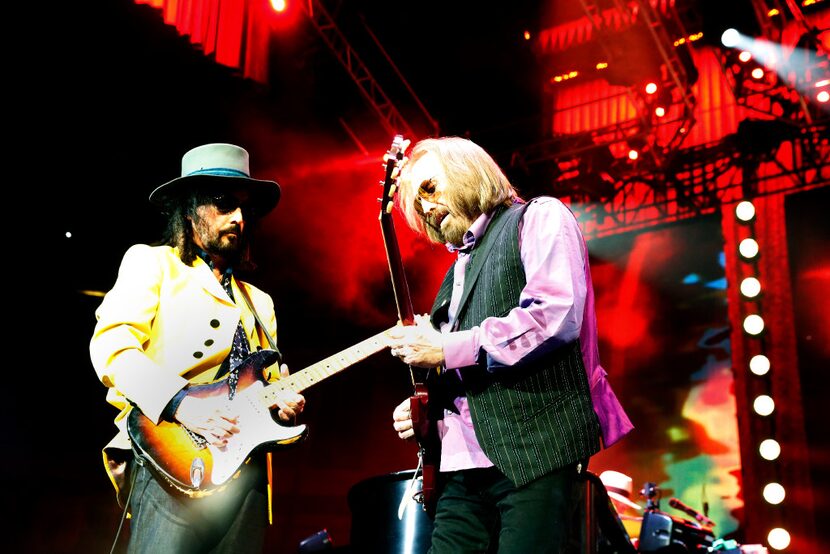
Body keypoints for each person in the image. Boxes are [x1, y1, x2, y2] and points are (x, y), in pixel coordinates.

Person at [388, 137, 633, 553]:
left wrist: (446, 348)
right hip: (461, 468)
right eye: (416, 204)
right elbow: (462, 367)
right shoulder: (456, 271)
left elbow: (554, 316)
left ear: (467, 169)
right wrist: (427, 405)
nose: (426, 209)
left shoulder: (538, 217)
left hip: (536, 452)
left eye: (429, 189)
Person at [90, 143, 305, 553]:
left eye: (245, 209)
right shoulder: (152, 264)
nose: (239, 218)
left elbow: (268, 385)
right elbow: (113, 348)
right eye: (224, 204)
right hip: (171, 457)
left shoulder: (260, 303)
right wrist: (183, 404)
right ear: (188, 210)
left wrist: (282, 404)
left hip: (246, 477)